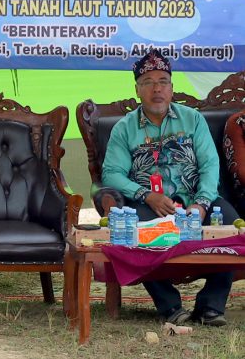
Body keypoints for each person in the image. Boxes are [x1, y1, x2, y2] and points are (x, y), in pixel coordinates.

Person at [100, 48, 239, 327]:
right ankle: (170, 307)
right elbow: (112, 174)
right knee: (136, 236)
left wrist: (201, 203)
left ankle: (211, 305)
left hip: (195, 199)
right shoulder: (125, 128)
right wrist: (147, 196)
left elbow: (210, 166)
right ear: (138, 89)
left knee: (232, 229)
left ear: (172, 87)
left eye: (163, 81)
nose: (157, 89)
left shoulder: (192, 119)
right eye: (148, 82)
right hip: (148, 203)